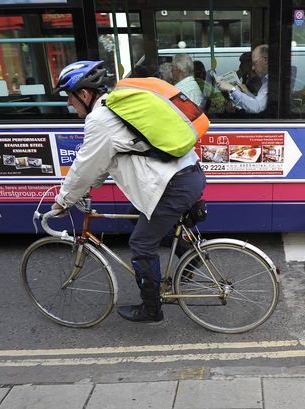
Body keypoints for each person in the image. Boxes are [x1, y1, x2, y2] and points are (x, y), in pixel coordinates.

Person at [51, 60, 206, 322]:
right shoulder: (117, 106)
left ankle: (151, 309)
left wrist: (64, 200)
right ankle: (191, 254)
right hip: (188, 174)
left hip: (173, 185)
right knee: (135, 213)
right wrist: (90, 186)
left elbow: (83, 167)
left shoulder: (100, 120)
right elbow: (103, 162)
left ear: (85, 94)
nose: (69, 103)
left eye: (69, 97)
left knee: (140, 243)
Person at [216, 44, 269, 114]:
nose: (253, 68)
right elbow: (257, 102)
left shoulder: (266, 81)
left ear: (265, 60)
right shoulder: (265, 80)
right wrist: (247, 92)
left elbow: (256, 108)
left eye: (254, 63)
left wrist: (232, 89)